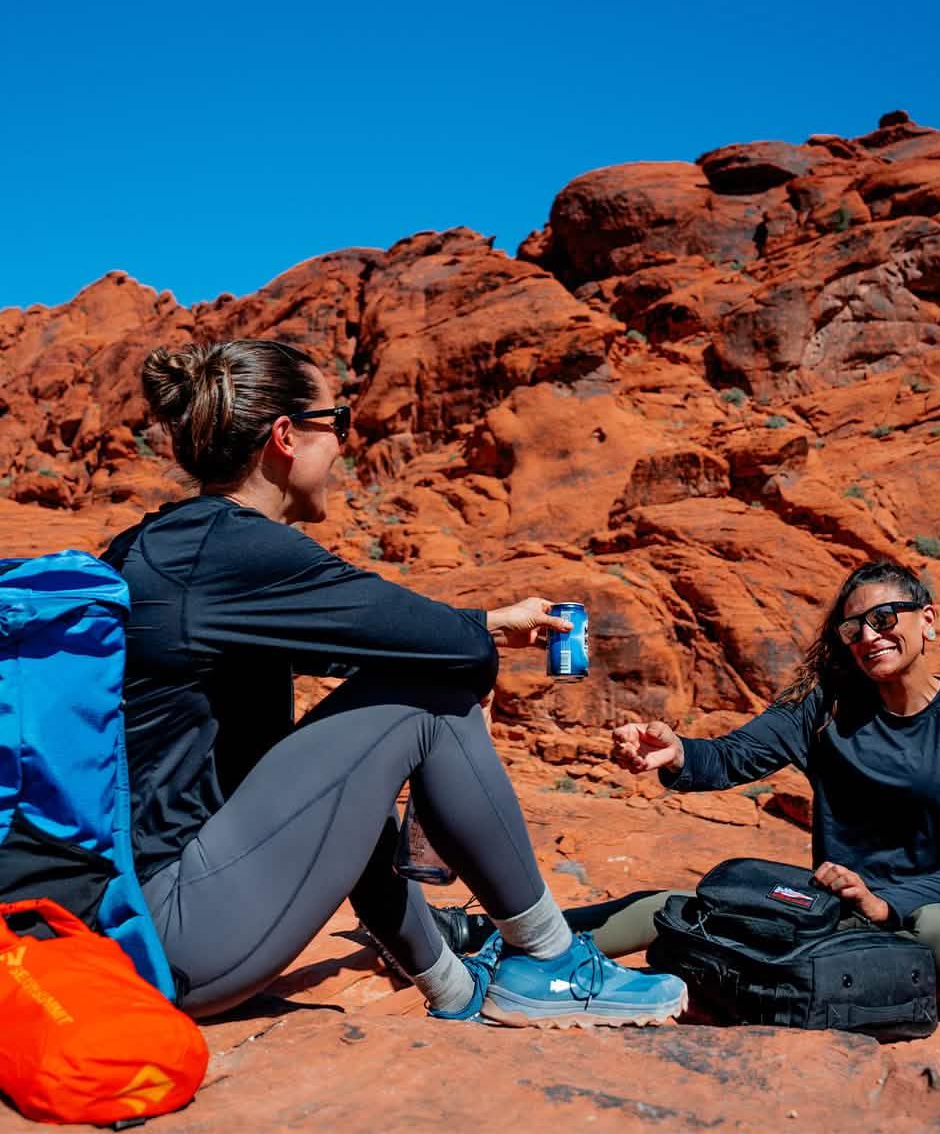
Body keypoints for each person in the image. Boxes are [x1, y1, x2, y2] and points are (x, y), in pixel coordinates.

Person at [102, 337, 685, 1026]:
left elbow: (379, 686)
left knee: (367, 724)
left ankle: (454, 988)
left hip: (129, 922)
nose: (344, 446)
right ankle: (551, 962)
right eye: (337, 423)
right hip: (173, 934)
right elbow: (442, 655)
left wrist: (484, 625)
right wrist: (478, 640)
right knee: (424, 701)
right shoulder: (241, 551)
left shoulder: (165, 545)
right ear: (286, 437)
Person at [437, 560, 940, 1003]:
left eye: (883, 620)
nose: (868, 636)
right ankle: (483, 934)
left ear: (927, 620)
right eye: (852, 627)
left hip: (916, 914)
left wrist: (885, 903)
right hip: (823, 908)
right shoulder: (825, 710)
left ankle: (783, 970)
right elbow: (736, 756)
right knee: (671, 908)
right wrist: (676, 753)